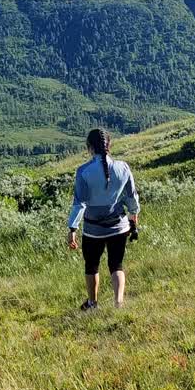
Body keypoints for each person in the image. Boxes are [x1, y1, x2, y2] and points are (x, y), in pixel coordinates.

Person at [66, 128, 140, 310]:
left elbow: (80, 203)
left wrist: (72, 228)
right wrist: (134, 217)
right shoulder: (123, 167)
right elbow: (131, 197)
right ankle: (118, 303)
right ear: (109, 146)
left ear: (89, 147)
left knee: (91, 266)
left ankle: (92, 303)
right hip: (119, 225)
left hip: (93, 229)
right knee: (117, 265)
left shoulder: (83, 171)